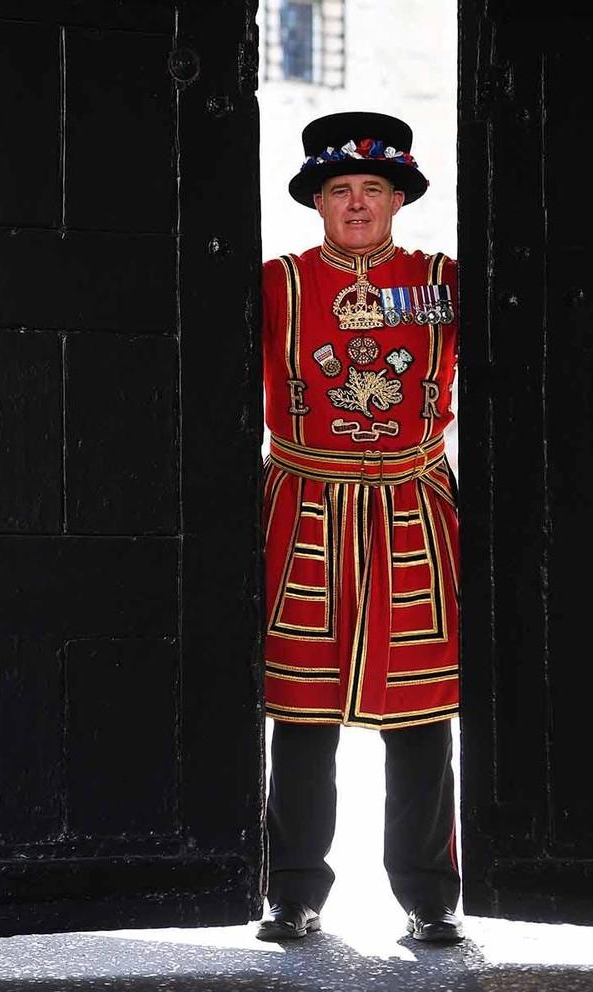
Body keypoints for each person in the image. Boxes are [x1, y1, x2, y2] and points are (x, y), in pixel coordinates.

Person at [257, 111, 464, 945]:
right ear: (316, 201)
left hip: (414, 510)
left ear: (397, 198)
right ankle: (294, 891)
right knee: (300, 716)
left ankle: (429, 894)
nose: (354, 204)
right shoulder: (278, 284)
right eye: (339, 189)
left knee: (422, 715)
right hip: (307, 508)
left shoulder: (443, 280)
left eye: (371, 188)